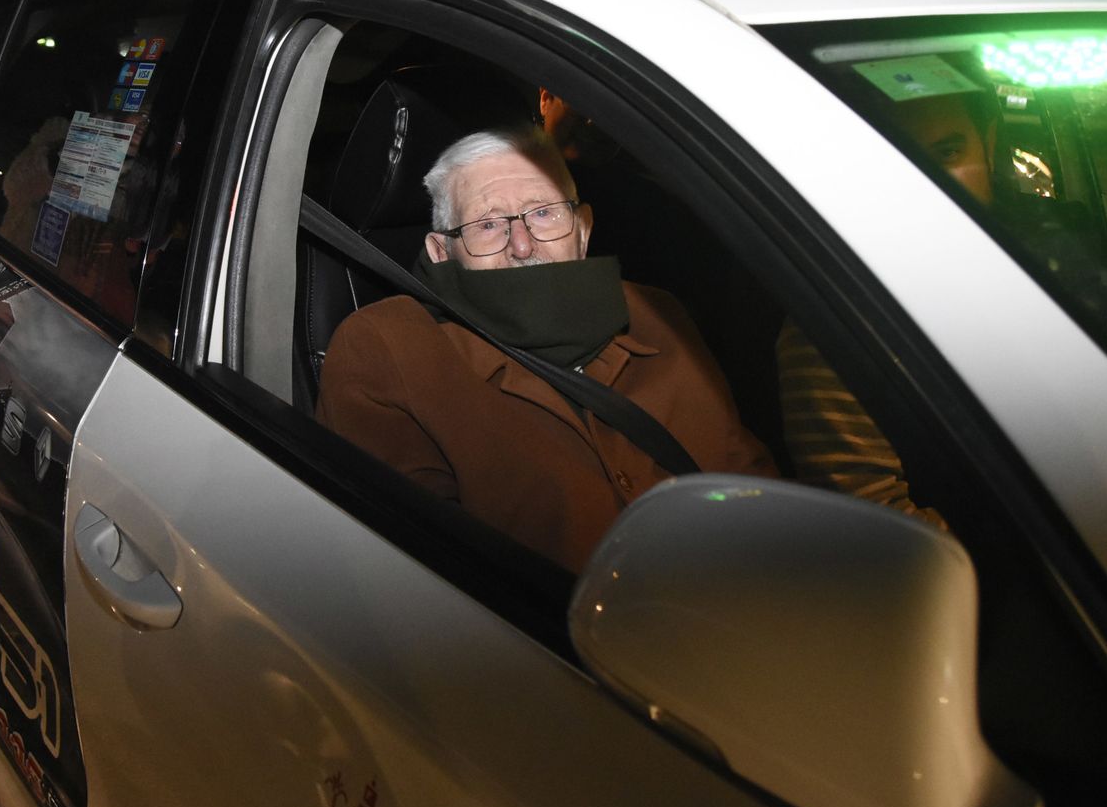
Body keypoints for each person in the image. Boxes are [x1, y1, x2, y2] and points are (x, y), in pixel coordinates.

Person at [315, 125, 775, 573]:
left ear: (583, 229)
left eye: (542, 213)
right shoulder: (387, 347)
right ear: (441, 252)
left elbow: (753, 484)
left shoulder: (658, 316)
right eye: (488, 224)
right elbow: (420, 571)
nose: (521, 245)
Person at [776, 90, 997, 529]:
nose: (928, 185)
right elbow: (875, 528)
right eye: (897, 160)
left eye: (948, 152)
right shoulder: (837, 328)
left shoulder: (1012, 269)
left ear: (989, 143)